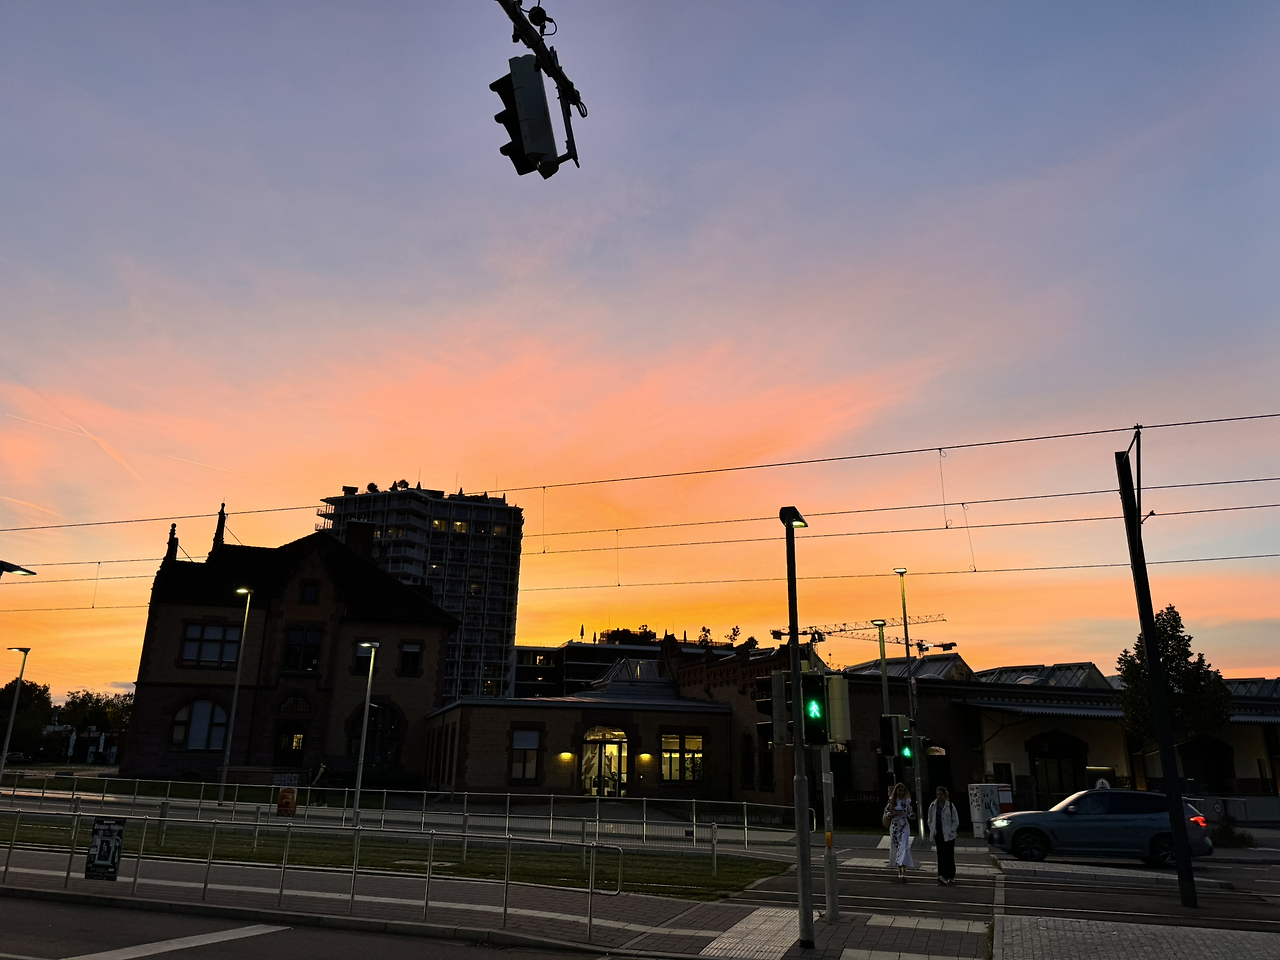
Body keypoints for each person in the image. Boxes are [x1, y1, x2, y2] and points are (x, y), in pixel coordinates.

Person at [927, 785, 960, 884]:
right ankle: (942, 875)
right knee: (941, 855)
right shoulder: (933, 806)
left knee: (949, 855)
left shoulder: (950, 806)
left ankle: (951, 875)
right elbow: (930, 819)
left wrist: (952, 830)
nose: (939, 796)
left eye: (940, 794)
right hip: (938, 832)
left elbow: (955, 820)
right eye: (937, 794)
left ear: (945, 795)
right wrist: (932, 828)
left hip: (949, 834)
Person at [884, 782, 915, 879]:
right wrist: (893, 814)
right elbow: (886, 812)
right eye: (899, 790)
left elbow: (910, 813)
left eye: (902, 791)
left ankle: (904, 867)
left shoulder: (907, 801)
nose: (900, 792)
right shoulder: (891, 801)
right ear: (896, 791)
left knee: (904, 846)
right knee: (897, 848)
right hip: (895, 827)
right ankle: (899, 868)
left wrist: (912, 815)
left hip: (904, 826)